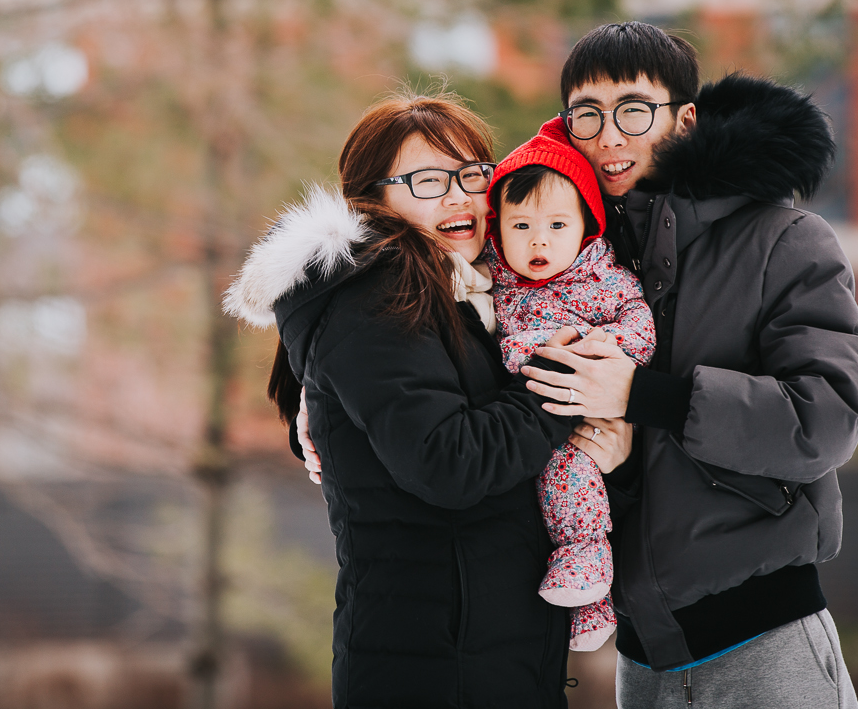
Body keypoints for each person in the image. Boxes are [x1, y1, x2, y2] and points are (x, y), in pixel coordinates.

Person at [223, 89, 626, 709]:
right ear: (373, 200)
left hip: (484, 654)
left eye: (472, 175)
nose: (461, 195)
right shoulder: (379, 298)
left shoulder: (470, 297)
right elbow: (450, 461)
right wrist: (562, 381)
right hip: (436, 667)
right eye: (430, 179)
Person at [521, 22, 858, 708]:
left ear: (684, 119)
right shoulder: (571, 258)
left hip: (765, 644)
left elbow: (826, 417)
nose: (608, 135)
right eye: (586, 114)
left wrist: (645, 396)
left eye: (632, 109)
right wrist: (314, 407)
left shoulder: (784, 240)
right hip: (643, 663)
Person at [484, 128, 656, 652]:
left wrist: (606, 348)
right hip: (529, 418)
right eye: (522, 225)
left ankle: (586, 563)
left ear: (585, 228)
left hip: (585, 413)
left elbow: (639, 324)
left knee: (570, 472)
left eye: (557, 225)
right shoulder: (492, 278)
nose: (539, 241)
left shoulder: (601, 278)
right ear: (499, 231)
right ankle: (592, 606)